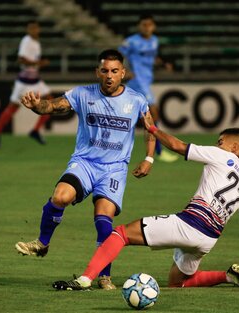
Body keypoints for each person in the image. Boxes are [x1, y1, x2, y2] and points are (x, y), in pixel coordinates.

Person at [52, 124, 239, 290]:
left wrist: (153, 129)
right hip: (208, 240)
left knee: (120, 233)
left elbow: (178, 146)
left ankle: (85, 279)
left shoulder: (222, 155)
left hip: (190, 224)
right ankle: (228, 277)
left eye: (220, 141)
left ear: (234, 147)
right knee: (176, 283)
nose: (217, 144)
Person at [15, 49, 156, 290]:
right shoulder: (82, 94)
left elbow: (150, 129)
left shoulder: (136, 100)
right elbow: (52, 106)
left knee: (103, 219)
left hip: (114, 169)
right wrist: (36, 106)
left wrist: (149, 159)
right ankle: (42, 243)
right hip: (85, 163)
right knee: (60, 197)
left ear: (123, 73)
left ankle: (104, 276)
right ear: (97, 72)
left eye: (114, 71)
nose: (109, 76)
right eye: (104, 71)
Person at [118, 14, 177, 163]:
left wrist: (164, 64)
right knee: (153, 114)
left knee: (124, 114)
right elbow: (117, 56)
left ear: (153, 26)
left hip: (144, 81)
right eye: (144, 25)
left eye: (149, 25)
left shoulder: (154, 41)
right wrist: (125, 72)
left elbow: (153, 58)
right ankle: (158, 151)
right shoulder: (131, 41)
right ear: (139, 26)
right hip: (137, 81)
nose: (147, 27)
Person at [0, 20, 52, 149]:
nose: (33, 31)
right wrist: (39, 63)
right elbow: (21, 59)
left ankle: (35, 131)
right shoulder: (27, 41)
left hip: (35, 80)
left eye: (35, 28)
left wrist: (37, 63)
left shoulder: (36, 42)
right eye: (31, 28)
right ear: (28, 30)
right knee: (13, 108)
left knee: (51, 102)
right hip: (24, 82)